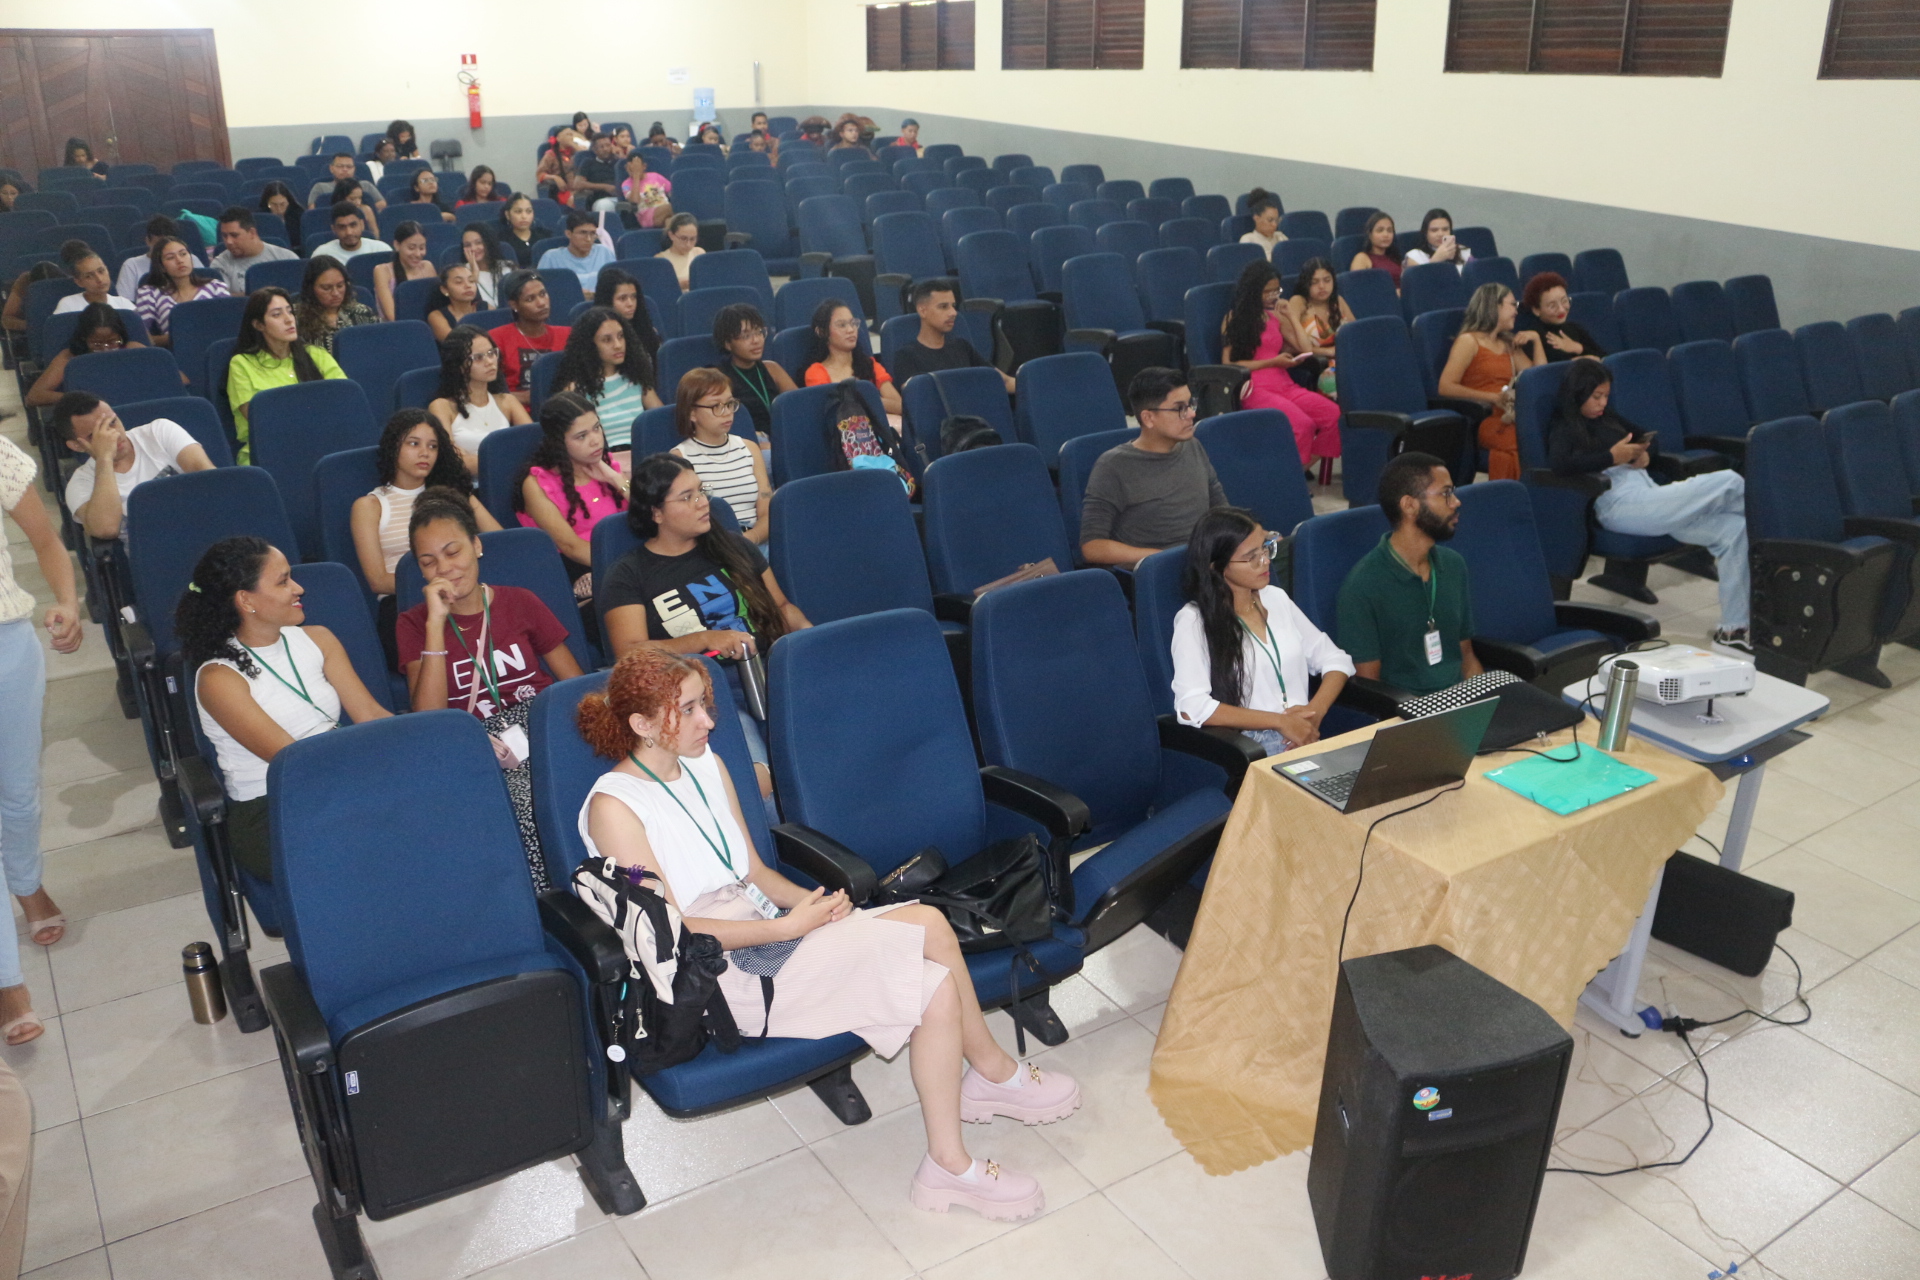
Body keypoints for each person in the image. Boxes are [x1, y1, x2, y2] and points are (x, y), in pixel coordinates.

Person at [576, 645, 1076, 1220]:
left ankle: (949, 1161)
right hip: (716, 974)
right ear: (642, 725)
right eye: (688, 710)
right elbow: (675, 931)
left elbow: (752, 871)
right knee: (927, 925)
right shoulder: (614, 808)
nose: (708, 721)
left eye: (704, 705)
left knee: (934, 983)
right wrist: (788, 925)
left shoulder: (706, 764)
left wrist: (814, 904)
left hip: (766, 929)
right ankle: (991, 1075)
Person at [397, 488, 584, 882]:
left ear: (477, 546)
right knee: (523, 808)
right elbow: (428, 719)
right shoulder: (414, 625)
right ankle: (555, 900)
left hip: (542, 730)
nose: (445, 569)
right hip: (474, 745)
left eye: (453, 552)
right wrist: (436, 625)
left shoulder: (521, 602)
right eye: (428, 562)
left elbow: (576, 687)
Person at [600, 454, 810, 803]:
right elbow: (629, 652)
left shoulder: (733, 546)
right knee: (757, 787)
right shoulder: (629, 574)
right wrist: (705, 640)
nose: (702, 503)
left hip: (771, 672)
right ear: (656, 513)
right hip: (706, 696)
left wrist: (810, 639)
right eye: (687, 497)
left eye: (701, 491)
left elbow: (783, 608)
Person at [184, 536, 392, 884]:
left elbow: (370, 714)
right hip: (272, 808)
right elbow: (293, 762)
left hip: (337, 779)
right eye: (283, 582)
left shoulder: (318, 638)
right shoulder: (219, 679)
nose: (299, 588)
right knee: (387, 839)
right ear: (246, 600)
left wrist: (421, 748)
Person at [1549, 360, 1750, 651]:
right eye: (1596, 396)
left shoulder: (1606, 417)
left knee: (1735, 529)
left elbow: (1646, 437)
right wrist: (1611, 457)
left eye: (1606, 396)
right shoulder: (1565, 424)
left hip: (1648, 493)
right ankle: (1781, 545)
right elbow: (1560, 465)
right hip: (1618, 503)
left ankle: (1733, 630)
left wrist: (1645, 455)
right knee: (1729, 480)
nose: (1602, 403)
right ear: (1578, 393)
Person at [0, 432, 84, 1047]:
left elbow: (46, 540)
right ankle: (9, 984)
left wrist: (67, 602)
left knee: (18, 795)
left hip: (6, 646)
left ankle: (27, 884)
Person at [1173, 508, 1354, 756]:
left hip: (1304, 736)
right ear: (1216, 567)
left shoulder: (1275, 598)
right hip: (1250, 746)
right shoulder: (1195, 620)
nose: (1266, 561)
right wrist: (1279, 721)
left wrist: (1314, 712)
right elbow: (1191, 707)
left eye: (1265, 548)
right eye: (1251, 558)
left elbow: (1336, 660)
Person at [351, 410, 499, 657]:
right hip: (406, 603)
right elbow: (377, 580)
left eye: (432, 446)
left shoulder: (455, 494)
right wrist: (443, 582)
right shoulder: (370, 506)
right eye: (414, 444)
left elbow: (499, 541)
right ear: (393, 446)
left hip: (467, 595)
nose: (425, 453)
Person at [1336, 452, 1483, 696]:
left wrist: (1485, 703)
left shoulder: (1453, 565)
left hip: (1461, 701)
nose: (1456, 502)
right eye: (1445, 493)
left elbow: (1466, 658)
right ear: (1410, 505)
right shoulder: (1362, 587)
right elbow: (1370, 691)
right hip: (1407, 710)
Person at [1080, 368, 1226, 569]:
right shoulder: (1113, 467)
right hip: (1159, 572)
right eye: (1179, 408)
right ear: (1148, 418)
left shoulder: (1193, 446)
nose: (1192, 414)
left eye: (1191, 404)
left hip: (1203, 562)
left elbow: (1221, 511)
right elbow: (1092, 546)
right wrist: (1165, 559)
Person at [1221, 261, 1340, 478]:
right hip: (1254, 387)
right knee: (1303, 425)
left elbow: (1306, 349)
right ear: (1253, 290)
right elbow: (1229, 364)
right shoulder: (1234, 318)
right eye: (1267, 291)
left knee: (1333, 415)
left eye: (1276, 290)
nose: (1272, 296)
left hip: (1284, 383)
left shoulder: (1274, 317)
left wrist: (1291, 316)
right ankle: (1289, 478)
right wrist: (1272, 362)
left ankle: (1294, 474)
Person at [56, 392, 215, 541]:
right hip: (157, 550)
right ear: (77, 446)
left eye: (113, 422)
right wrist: (105, 458)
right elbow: (106, 530)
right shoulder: (80, 483)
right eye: (96, 435)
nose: (114, 435)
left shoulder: (159, 432)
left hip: (203, 527)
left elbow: (210, 479)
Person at [516, 392, 629, 591]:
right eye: (581, 436)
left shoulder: (606, 465)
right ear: (559, 442)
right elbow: (571, 547)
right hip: (580, 568)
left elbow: (649, 515)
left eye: (596, 428)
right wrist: (630, 566)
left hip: (624, 554)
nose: (595, 440)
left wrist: (617, 480)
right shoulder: (537, 484)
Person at [227, 287, 347, 463]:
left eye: (290, 312)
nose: (289, 319)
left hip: (324, 443)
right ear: (258, 325)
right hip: (271, 451)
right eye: (277, 315)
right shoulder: (241, 364)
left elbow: (344, 400)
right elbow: (260, 421)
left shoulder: (316, 355)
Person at [1439, 283, 1543, 481]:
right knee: (1525, 440)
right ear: (1494, 306)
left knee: (1539, 436)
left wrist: (1537, 341)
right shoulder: (1469, 341)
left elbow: (1536, 378)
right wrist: (1492, 397)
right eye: (1512, 305)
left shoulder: (1507, 343)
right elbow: (1445, 387)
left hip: (1512, 415)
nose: (1516, 311)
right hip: (1485, 418)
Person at [673, 368, 771, 543]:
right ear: (692, 413)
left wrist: (750, 539)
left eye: (730, 403)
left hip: (755, 539)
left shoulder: (749, 448)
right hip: (713, 544)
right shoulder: (680, 458)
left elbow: (767, 511)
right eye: (716, 406)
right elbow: (685, 520)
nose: (727, 412)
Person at [551, 306, 660, 453]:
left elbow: (659, 419)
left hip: (642, 453)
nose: (618, 345)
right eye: (607, 340)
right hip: (602, 457)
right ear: (590, 346)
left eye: (621, 336)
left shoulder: (636, 377)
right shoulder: (575, 388)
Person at [429, 325, 532, 471]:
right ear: (459, 365)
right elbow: (452, 461)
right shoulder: (442, 406)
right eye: (478, 358)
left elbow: (533, 444)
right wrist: (511, 460)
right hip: (466, 483)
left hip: (510, 479)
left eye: (491, 353)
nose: (489, 361)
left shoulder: (507, 401)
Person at [888, 278, 1016, 392]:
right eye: (943, 307)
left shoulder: (962, 346)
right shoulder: (906, 356)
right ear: (922, 310)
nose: (953, 313)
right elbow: (916, 398)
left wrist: (1025, 387)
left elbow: (1003, 381)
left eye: (953, 306)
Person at [26, 305, 146, 408]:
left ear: (121, 336)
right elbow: (34, 396)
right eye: (97, 344)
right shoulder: (69, 358)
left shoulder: (135, 350)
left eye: (112, 341)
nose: (105, 349)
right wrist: (81, 399)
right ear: (84, 338)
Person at [711, 302, 796, 442]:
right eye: (746, 336)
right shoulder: (718, 377)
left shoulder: (772, 369)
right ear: (728, 343)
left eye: (759, 332)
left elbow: (797, 406)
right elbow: (716, 423)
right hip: (745, 441)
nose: (756, 340)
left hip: (781, 437)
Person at [803, 299, 902, 416]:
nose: (851, 330)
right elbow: (828, 415)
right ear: (822, 332)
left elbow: (900, 406)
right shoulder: (816, 372)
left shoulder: (869, 364)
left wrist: (869, 401)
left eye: (853, 323)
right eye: (841, 325)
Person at [490, 271, 570, 402]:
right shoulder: (496, 339)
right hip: (518, 410)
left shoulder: (567, 334)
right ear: (514, 305)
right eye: (530, 299)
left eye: (543, 294)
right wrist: (533, 396)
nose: (541, 303)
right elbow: (488, 394)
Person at [132, 236, 229, 344]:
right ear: (161, 267)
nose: (179, 260)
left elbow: (231, 324)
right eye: (170, 258)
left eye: (183, 254)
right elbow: (141, 336)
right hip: (175, 351)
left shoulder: (216, 287)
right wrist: (176, 337)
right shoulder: (149, 293)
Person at [1283, 258, 1354, 399]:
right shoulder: (1299, 302)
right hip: (1317, 366)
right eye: (1315, 282)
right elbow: (1288, 347)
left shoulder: (1338, 301)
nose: (1322, 286)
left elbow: (1356, 334)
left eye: (1327, 280)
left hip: (1346, 360)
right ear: (1306, 283)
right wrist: (1327, 351)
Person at [293, 256, 377, 354]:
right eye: (326, 288)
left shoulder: (362, 312)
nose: (335, 293)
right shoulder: (295, 317)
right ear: (311, 288)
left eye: (340, 286)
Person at [1521, 272, 1607, 363]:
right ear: (1536, 310)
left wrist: (1578, 348)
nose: (1561, 310)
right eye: (1552, 306)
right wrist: (1572, 362)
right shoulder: (1533, 337)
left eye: (1564, 301)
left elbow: (1605, 358)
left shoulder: (1575, 328)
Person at [211, 207, 298, 293]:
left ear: (252, 233)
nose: (228, 241)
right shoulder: (220, 264)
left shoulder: (287, 257)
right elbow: (222, 296)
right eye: (224, 236)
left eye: (234, 235)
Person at [539, 210, 615, 300]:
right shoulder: (551, 257)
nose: (588, 239)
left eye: (592, 233)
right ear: (568, 234)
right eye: (583, 233)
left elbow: (617, 284)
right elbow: (540, 290)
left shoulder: (604, 252)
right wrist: (574, 293)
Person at [595, 268, 663, 367]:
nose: (630, 304)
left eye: (633, 297)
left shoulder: (646, 329)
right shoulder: (597, 334)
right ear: (608, 301)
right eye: (622, 298)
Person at [372, 221, 437, 321]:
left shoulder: (427, 267)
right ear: (397, 245)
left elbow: (437, 306)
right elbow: (392, 316)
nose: (418, 254)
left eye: (422, 248)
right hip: (399, 327)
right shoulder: (382, 271)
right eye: (411, 248)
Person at [52, 243, 136, 315]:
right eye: (89, 276)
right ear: (79, 282)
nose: (99, 279)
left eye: (101, 271)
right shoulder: (68, 305)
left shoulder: (123, 304)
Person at [116, 215, 181, 300]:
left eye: (169, 243)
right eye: (160, 243)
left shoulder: (190, 260)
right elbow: (124, 302)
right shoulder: (132, 265)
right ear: (148, 241)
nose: (165, 248)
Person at [308, 202, 392, 266]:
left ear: (362, 225)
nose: (349, 232)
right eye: (342, 227)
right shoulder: (322, 255)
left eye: (353, 225)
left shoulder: (381, 250)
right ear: (334, 229)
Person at [306, 152, 385, 211]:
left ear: (354, 169)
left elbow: (382, 203)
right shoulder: (320, 187)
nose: (345, 169)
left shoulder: (366, 185)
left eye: (349, 167)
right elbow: (312, 210)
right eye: (340, 166)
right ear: (331, 168)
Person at [1402, 208, 1472, 271]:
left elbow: (1475, 274)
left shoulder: (1462, 251)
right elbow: (1418, 280)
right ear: (1425, 233)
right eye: (1434, 230)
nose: (1440, 234)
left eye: (1445, 229)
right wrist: (1436, 260)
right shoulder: (1415, 256)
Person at [426, 261, 483, 338]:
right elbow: (454, 343)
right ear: (444, 290)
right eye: (459, 282)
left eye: (471, 281)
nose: (468, 285)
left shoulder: (487, 308)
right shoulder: (437, 316)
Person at [571, 131, 624, 213]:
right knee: (604, 206)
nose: (605, 149)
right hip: (603, 199)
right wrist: (604, 187)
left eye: (608, 145)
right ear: (595, 150)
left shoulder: (619, 162)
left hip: (622, 197)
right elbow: (577, 184)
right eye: (601, 147)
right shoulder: (588, 163)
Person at [497, 193, 553, 268]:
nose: (524, 216)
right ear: (507, 215)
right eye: (518, 211)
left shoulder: (545, 236)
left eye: (529, 211)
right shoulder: (501, 240)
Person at [460, 223, 509, 307]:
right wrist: (474, 273)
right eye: (468, 245)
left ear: (488, 243)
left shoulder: (507, 267)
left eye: (478, 243)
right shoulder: (460, 273)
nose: (473, 248)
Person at [1350, 211, 1402, 287]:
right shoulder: (1362, 258)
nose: (1386, 235)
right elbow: (1357, 287)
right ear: (1370, 234)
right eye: (1380, 230)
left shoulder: (1394, 258)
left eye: (1389, 230)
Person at [622, 153, 673, 228]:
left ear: (644, 166)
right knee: (674, 207)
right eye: (630, 168)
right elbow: (635, 201)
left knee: (670, 222)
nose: (633, 170)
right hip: (646, 215)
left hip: (664, 211)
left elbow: (673, 191)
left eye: (636, 167)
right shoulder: (626, 184)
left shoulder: (655, 176)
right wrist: (636, 176)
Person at [656, 213, 704, 292]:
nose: (688, 244)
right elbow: (660, 288)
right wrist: (679, 284)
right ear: (671, 235)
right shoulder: (661, 259)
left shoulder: (699, 253)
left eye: (692, 239)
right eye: (683, 238)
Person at [1240, 189, 1286, 255]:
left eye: (1276, 220)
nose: (1274, 225)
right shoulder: (1248, 240)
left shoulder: (1280, 237)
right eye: (1270, 220)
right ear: (1257, 218)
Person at [257, 183, 302, 248]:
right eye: (273, 205)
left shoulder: (298, 215)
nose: (279, 209)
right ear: (267, 203)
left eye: (282, 204)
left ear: (288, 202)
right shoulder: (260, 218)